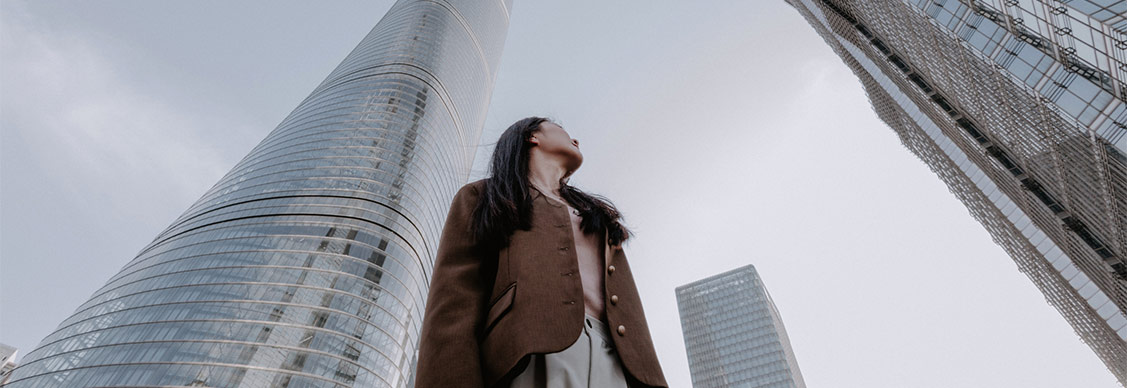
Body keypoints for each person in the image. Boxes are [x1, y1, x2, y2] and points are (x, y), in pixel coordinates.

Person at [414, 117, 668, 388]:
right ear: (532, 136)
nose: (576, 139)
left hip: (617, 359)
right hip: (528, 353)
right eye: (562, 130)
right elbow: (453, 304)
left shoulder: (596, 217)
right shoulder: (483, 196)